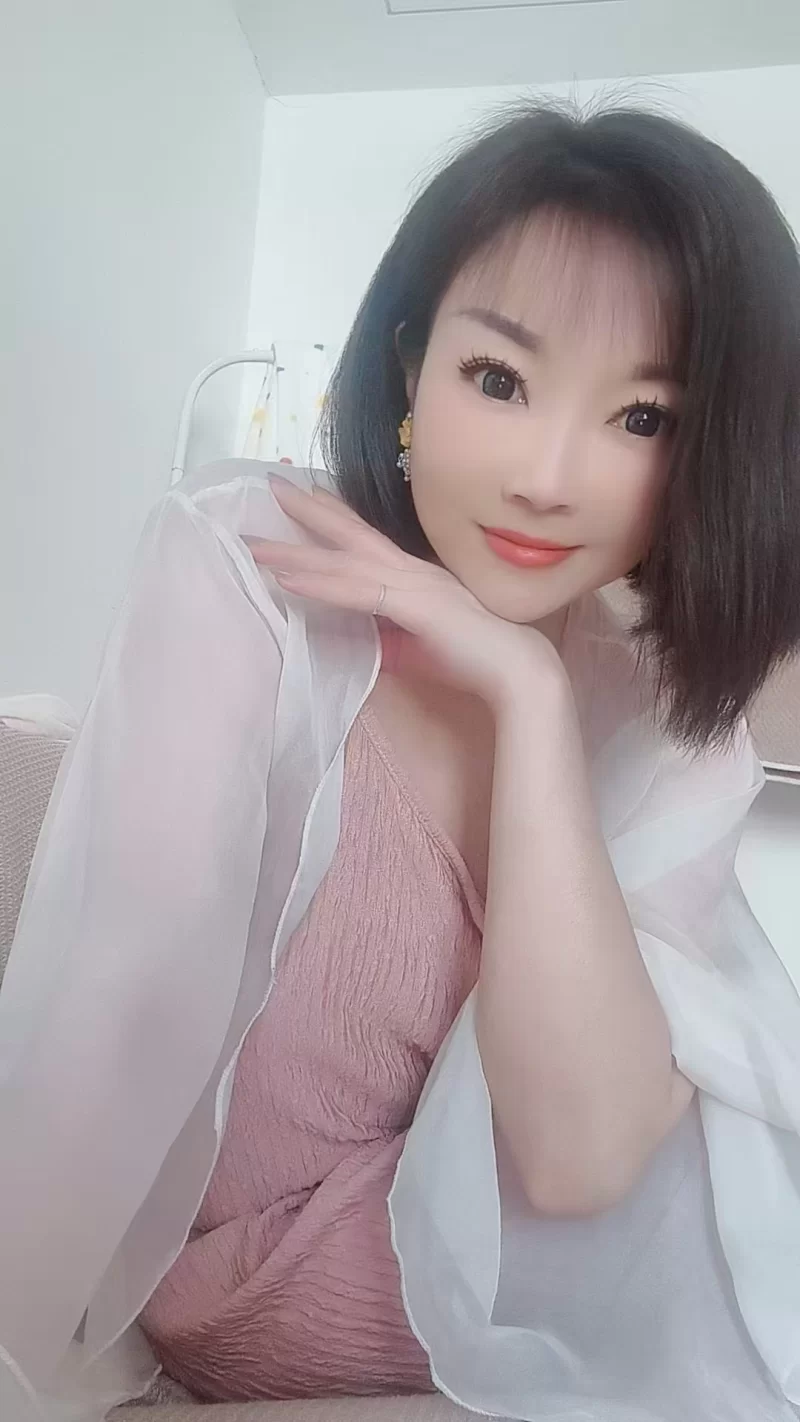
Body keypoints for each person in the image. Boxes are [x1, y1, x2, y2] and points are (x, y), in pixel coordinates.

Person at [2, 99, 800, 1422]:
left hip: (521, 1226)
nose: (548, 477)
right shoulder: (253, 560)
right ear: (412, 368)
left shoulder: (672, 726)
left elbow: (586, 1156)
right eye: (500, 379)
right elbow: (123, 980)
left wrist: (526, 697)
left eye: (642, 417)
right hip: (276, 1266)